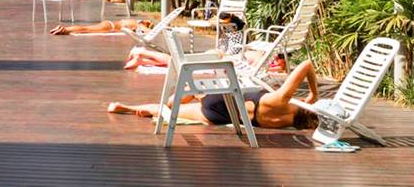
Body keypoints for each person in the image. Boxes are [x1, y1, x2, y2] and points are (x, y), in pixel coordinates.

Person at [106, 59, 321, 131]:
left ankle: (125, 106)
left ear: (301, 107)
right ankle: (130, 108)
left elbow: (307, 64)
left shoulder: (279, 100)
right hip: (216, 116)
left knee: (175, 101)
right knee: (172, 111)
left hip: (220, 97)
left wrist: (313, 94)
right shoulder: (283, 123)